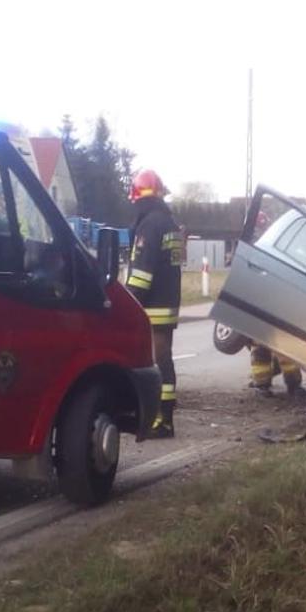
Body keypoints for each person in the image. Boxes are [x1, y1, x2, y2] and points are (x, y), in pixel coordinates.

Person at [126, 168, 183, 438]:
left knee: (157, 363)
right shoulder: (169, 223)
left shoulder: (149, 225)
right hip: (168, 303)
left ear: (138, 197)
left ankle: (162, 421)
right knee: (164, 360)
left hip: (151, 307)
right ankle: (165, 418)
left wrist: (127, 302)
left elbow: (142, 273)